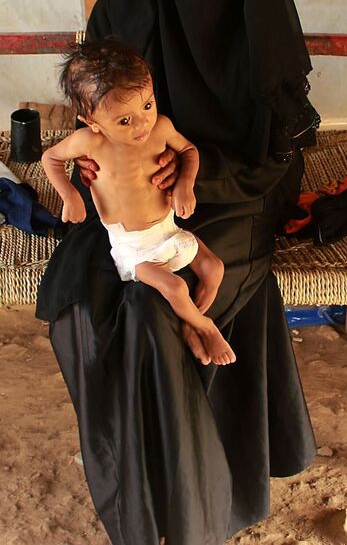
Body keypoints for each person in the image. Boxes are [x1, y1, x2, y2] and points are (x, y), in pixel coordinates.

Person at [35, 0, 318, 544]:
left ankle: (197, 509)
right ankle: (149, 494)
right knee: (90, 296)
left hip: (233, 190)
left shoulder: (261, 26)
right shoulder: (124, 8)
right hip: (129, 197)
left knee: (165, 307)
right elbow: (96, 106)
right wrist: (109, 163)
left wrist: (199, 168)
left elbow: (276, 152)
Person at [41, 39, 234, 365]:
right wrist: (70, 195)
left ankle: (189, 322)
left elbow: (189, 151)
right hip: (135, 249)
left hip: (168, 229)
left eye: (147, 105)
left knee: (215, 268)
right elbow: (51, 159)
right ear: (91, 121)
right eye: (124, 121)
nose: (143, 123)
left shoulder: (161, 127)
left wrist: (186, 184)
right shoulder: (90, 142)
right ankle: (205, 325)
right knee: (174, 287)